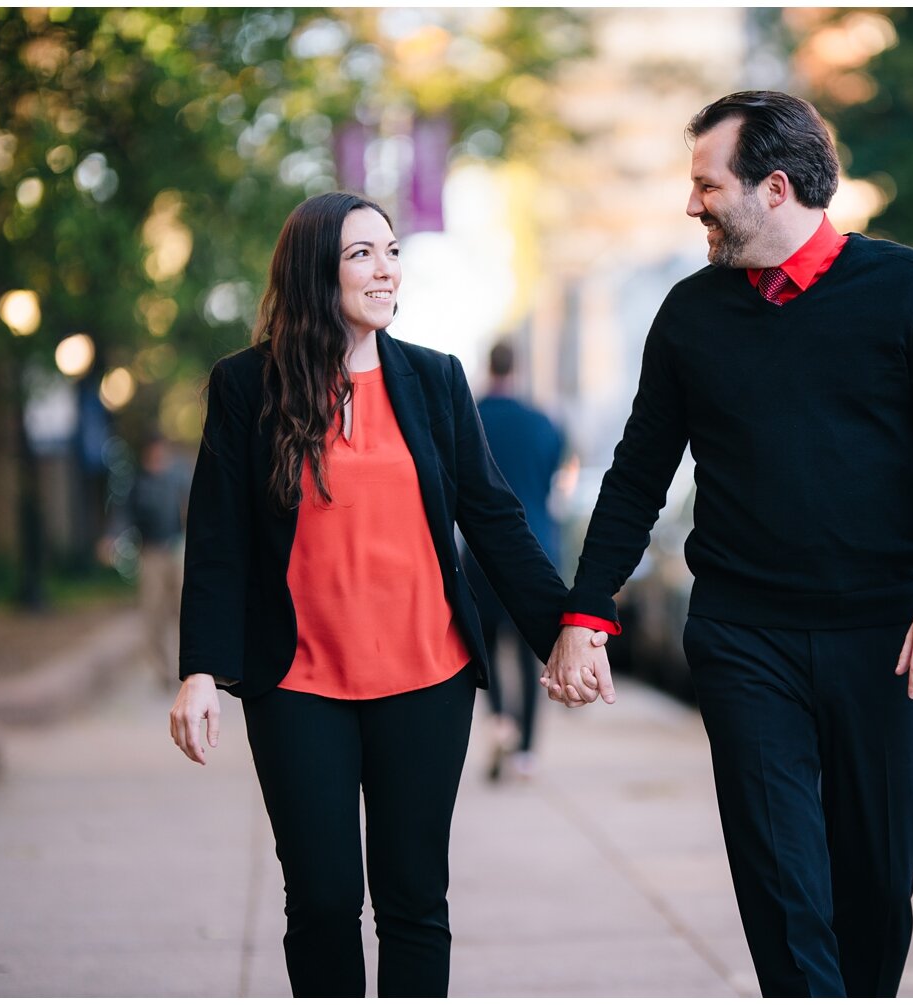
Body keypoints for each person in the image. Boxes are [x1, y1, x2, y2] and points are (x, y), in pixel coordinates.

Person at [543, 91, 913, 997]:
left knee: (875, 878)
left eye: (706, 185)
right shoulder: (689, 315)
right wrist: (586, 609)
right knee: (781, 879)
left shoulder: (907, 288)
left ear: (774, 188)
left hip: (885, 639)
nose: (691, 205)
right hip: (746, 635)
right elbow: (637, 475)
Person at [167, 192, 602, 998]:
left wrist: (568, 628)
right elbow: (219, 537)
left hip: (426, 678)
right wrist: (201, 670)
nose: (386, 268)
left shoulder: (435, 381)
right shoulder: (245, 387)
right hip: (297, 682)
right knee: (325, 898)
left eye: (393, 251)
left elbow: (496, 518)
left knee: (412, 899)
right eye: (362, 253)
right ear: (313, 270)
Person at [460, 340, 567, 782]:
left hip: (482, 554)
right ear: (517, 368)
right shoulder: (543, 424)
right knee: (530, 654)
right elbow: (552, 483)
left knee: (482, 645)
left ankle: (500, 719)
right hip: (536, 549)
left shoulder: (470, 417)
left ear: (488, 367)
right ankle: (525, 751)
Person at [129, 431, 189, 688]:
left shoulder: (179, 477)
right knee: (153, 612)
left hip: (178, 550)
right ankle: (163, 672)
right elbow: (125, 513)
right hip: (151, 552)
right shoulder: (138, 482)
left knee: (184, 610)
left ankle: (186, 668)